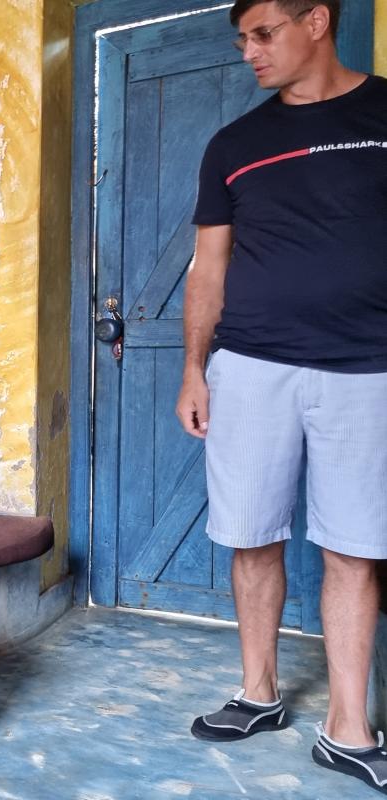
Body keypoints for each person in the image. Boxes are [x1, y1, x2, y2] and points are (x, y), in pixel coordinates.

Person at [175, 1, 387, 792]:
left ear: (317, 21)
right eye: (243, 40)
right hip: (252, 368)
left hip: (369, 369)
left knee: (355, 546)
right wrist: (194, 369)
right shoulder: (234, 145)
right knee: (251, 534)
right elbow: (209, 269)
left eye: (263, 34)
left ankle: (349, 728)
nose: (249, 52)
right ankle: (257, 692)